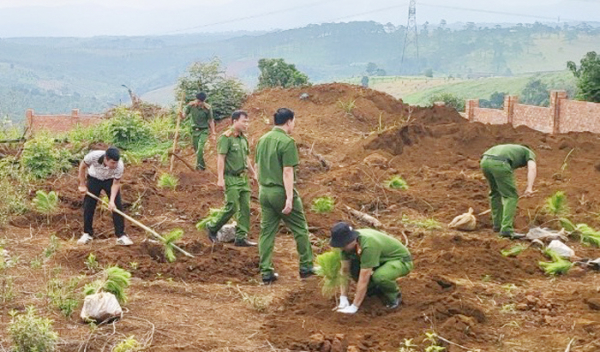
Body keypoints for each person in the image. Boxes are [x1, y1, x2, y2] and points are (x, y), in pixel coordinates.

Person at [255, 108, 316, 284]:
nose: (294, 125)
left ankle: (266, 271)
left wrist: (262, 186)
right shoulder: (287, 142)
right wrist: (289, 198)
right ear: (289, 122)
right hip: (280, 192)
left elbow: (257, 166)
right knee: (300, 229)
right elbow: (288, 171)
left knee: (267, 232)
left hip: (264, 191)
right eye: (294, 122)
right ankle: (306, 267)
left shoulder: (262, 139)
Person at [330, 222, 413, 314]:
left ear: (352, 240)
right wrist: (343, 298)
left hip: (400, 260)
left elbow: (363, 279)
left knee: (380, 276)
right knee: (353, 267)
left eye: (343, 245)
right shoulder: (346, 248)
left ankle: (394, 296)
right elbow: (345, 271)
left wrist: (354, 306)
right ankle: (374, 291)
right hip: (379, 260)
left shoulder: (368, 245)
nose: (342, 248)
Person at [206, 110, 258, 247]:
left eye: (247, 121)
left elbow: (246, 159)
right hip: (231, 178)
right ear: (235, 121)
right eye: (244, 121)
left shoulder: (243, 139)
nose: (247, 124)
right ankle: (212, 227)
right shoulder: (226, 137)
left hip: (243, 178)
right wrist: (220, 178)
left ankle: (241, 237)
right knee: (232, 206)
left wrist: (253, 173)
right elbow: (221, 158)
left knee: (245, 208)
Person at [77, 147, 133, 246]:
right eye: (112, 163)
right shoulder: (93, 156)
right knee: (88, 206)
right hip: (94, 179)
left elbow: (116, 184)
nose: (115, 165)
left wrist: (111, 201)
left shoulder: (119, 166)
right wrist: (82, 184)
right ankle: (87, 234)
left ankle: (121, 236)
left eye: (116, 162)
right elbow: (82, 167)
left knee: (117, 206)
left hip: (110, 181)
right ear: (105, 159)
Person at [480, 144, 537, 239]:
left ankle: (497, 225)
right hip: (500, 163)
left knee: (495, 192)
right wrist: (529, 188)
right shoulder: (529, 152)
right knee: (511, 196)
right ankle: (506, 229)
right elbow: (532, 168)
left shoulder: (512, 149)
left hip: (484, 161)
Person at [182, 92, 216, 170]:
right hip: (194, 131)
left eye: (200, 101)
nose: (198, 103)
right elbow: (184, 116)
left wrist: (213, 133)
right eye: (197, 101)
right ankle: (202, 167)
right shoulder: (191, 106)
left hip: (203, 131)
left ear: (203, 101)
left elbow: (211, 120)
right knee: (197, 151)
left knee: (200, 149)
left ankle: (198, 167)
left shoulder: (207, 108)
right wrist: (181, 115)